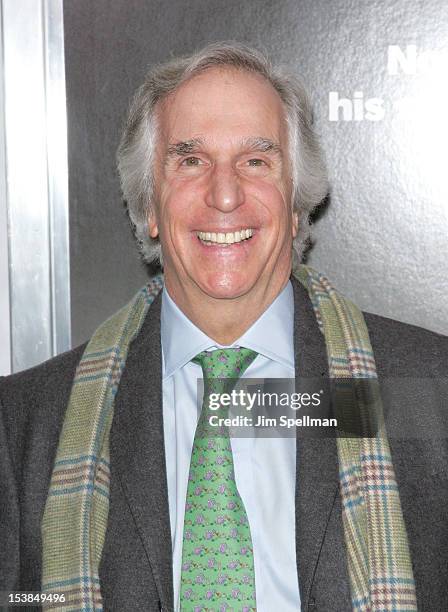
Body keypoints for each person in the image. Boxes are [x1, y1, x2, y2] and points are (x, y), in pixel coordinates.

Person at [0, 42, 447, 612]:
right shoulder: (29, 422)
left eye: (256, 161)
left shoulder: (428, 391)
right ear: (150, 206)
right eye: (191, 160)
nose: (226, 194)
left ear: (294, 203)